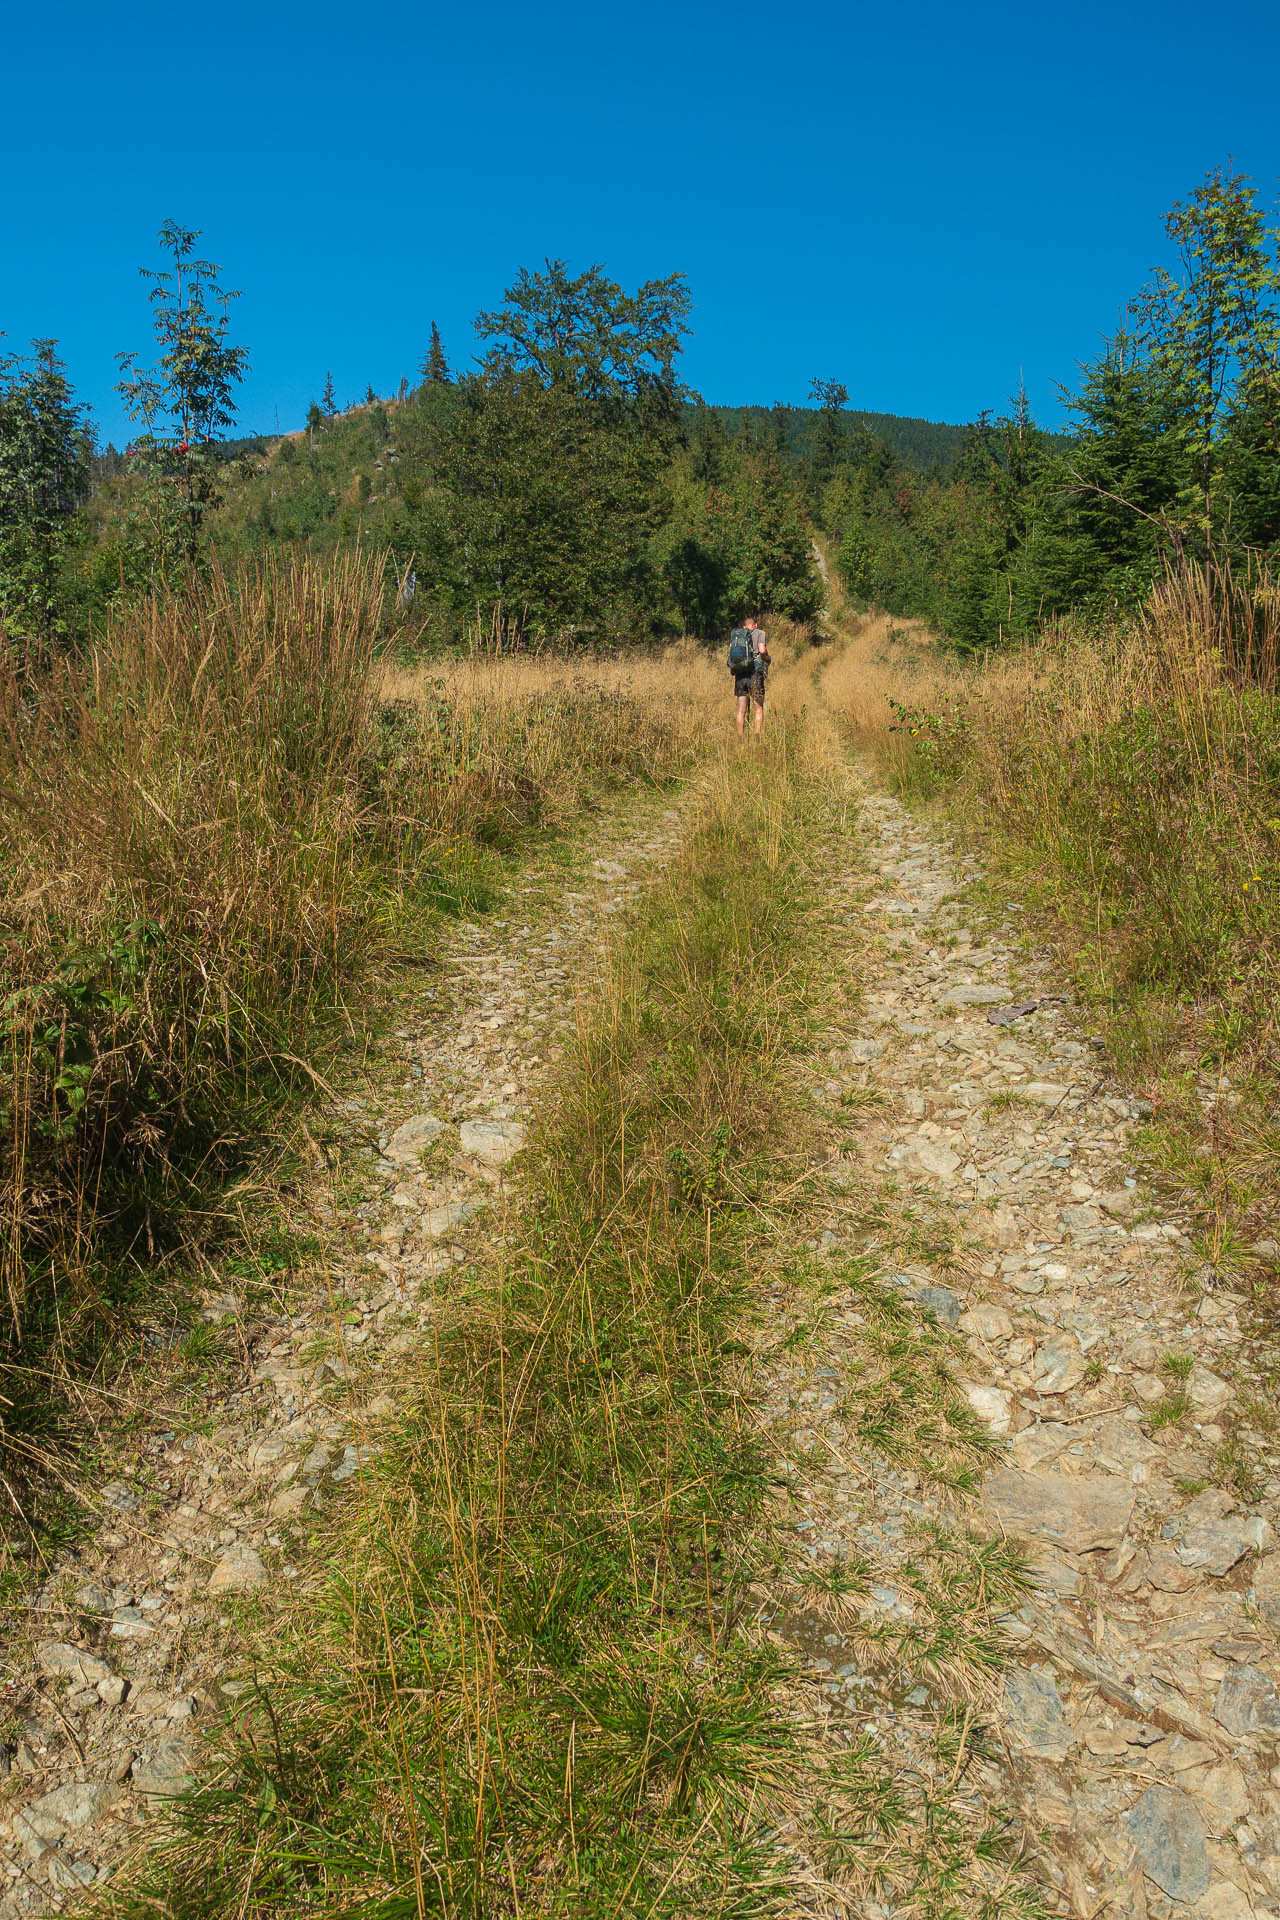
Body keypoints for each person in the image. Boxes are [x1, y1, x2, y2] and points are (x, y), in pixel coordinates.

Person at [733, 616, 770, 738]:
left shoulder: (737, 635)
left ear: (744, 627)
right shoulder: (760, 633)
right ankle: (757, 738)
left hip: (740, 674)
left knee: (741, 710)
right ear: (755, 625)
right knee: (758, 708)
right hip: (755, 673)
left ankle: (740, 739)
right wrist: (767, 659)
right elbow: (762, 650)